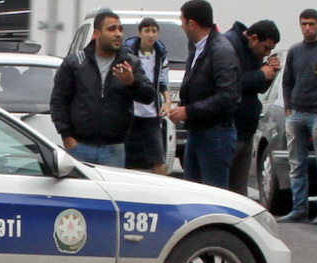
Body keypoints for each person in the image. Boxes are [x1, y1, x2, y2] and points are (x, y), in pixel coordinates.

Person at [50, 10, 155, 167]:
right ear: (97, 33)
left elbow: (149, 96)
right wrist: (67, 137)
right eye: (112, 29)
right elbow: (58, 101)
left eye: (120, 29)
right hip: (79, 147)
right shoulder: (75, 63)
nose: (118, 34)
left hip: (114, 150)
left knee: (110, 191)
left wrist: (132, 82)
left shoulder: (130, 63)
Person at [277, 9, 317, 225]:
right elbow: (287, 81)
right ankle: (298, 209)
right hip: (296, 114)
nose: (308, 28)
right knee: (296, 163)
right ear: (300, 24)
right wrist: (288, 108)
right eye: (304, 24)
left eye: (312, 24)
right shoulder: (295, 51)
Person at [169, 0, 239, 188]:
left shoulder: (221, 50)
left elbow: (228, 96)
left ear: (192, 23)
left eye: (183, 21)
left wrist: (188, 111)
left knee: (214, 194)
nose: (182, 26)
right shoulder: (196, 47)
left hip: (216, 134)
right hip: (197, 132)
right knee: (193, 191)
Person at [223, 20, 281, 195]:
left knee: (239, 189)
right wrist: (261, 74)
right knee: (224, 186)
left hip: (246, 128)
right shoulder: (229, 45)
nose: (267, 52)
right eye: (266, 48)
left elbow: (257, 86)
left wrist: (269, 73)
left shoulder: (252, 51)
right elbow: (229, 83)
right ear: (254, 38)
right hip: (230, 126)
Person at [124, 17, 171, 174]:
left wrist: (167, 102)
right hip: (130, 112)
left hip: (151, 113)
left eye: (154, 31)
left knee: (158, 157)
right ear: (140, 33)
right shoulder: (128, 52)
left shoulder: (161, 53)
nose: (151, 35)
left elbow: (163, 81)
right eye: (147, 31)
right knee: (125, 159)